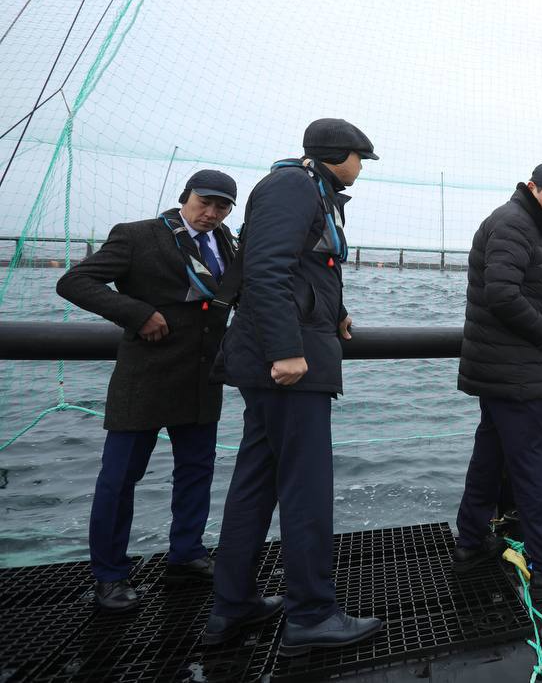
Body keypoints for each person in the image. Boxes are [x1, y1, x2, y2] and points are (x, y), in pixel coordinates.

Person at [205, 119, 381, 655]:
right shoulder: (293, 186)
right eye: (360, 159)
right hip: (286, 368)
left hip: (283, 359)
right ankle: (311, 614)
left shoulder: (311, 189)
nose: (361, 170)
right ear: (341, 154)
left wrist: (338, 312)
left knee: (256, 484)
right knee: (306, 489)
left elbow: (305, 272)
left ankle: (232, 605)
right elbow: (265, 270)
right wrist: (287, 349)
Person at [56, 170, 238, 612]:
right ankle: (109, 576)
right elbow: (74, 282)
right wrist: (137, 314)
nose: (211, 213)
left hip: (201, 379)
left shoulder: (229, 243)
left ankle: (186, 554)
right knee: (119, 480)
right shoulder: (137, 235)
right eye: (204, 202)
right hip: (145, 377)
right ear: (184, 198)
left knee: (197, 472)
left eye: (222, 206)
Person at [454, 163, 542, 600]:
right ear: (531, 187)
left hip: (500, 367)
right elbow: (502, 294)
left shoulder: (518, 222)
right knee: (534, 465)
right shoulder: (516, 224)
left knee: (489, 456)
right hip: (514, 369)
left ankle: (471, 540)